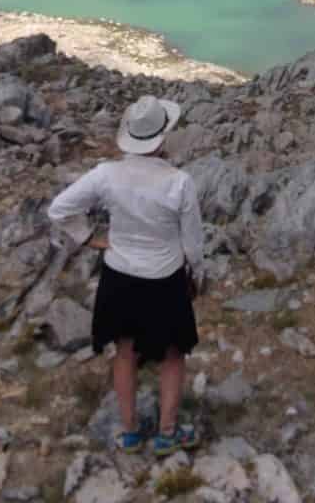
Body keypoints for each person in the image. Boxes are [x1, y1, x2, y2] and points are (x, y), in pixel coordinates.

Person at [47, 94, 204, 456]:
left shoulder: (107, 175)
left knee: (125, 351)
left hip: (119, 276)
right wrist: (197, 273)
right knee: (172, 354)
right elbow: (193, 243)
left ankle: (130, 432)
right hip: (165, 278)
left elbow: (60, 209)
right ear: (162, 137)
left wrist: (89, 239)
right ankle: (167, 432)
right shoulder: (179, 183)